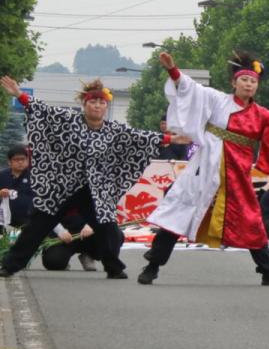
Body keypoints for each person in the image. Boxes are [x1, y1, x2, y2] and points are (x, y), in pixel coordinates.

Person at [137, 51, 269, 286]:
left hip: (237, 170)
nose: (249, 84)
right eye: (244, 80)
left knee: (250, 218)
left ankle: (268, 270)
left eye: (253, 81)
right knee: (181, 210)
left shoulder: (261, 114)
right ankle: (153, 265)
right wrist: (172, 70)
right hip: (208, 165)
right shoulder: (217, 100)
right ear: (234, 82)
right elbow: (190, 89)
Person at [0, 76, 170, 279]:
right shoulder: (69, 120)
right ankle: (10, 265)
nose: (97, 106)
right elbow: (44, 111)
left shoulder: (114, 130)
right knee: (37, 225)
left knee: (108, 226)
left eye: (102, 102)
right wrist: (20, 95)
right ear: (84, 104)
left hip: (93, 189)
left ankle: (113, 267)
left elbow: (139, 137)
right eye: (93, 101)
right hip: (62, 187)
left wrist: (170, 138)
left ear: (106, 106)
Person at [0, 145, 34, 229]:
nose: (20, 162)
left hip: (27, 220)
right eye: (16, 160)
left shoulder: (34, 176)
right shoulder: (2, 175)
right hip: (5, 220)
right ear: (9, 162)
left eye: (23, 159)